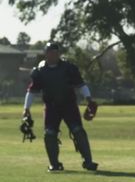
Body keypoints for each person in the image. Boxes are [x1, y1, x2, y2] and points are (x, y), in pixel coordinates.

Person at [23, 42, 98, 172]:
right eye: (51, 53)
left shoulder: (69, 68)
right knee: (50, 134)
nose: (54, 55)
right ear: (46, 54)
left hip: (69, 106)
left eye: (56, 53)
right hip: (51, 107)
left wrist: (89, 99)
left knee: (78, 131)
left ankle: (89, 162)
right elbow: (32, 91)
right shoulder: (40, 71)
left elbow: (80, 85)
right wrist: (26, 109)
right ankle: (54, 164)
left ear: (59, 53)